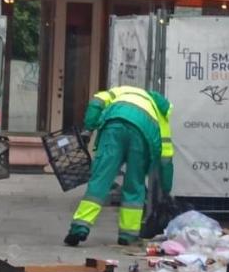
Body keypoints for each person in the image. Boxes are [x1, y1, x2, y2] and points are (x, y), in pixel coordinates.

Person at [65, 85, 173, 247]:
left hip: (113, 127)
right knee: (134, 185)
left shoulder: (121, 92)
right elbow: (166, 158)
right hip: (142, 136)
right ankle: (128, 235)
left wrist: (88, 128)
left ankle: (80, 227)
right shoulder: (160, 115)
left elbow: (97, 102)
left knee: (100, 179)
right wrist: (166, 188)